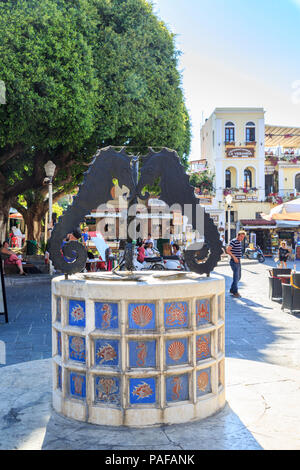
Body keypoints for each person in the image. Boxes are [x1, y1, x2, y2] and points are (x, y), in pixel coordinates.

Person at [226, 230, 246, 298]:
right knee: (236, 277)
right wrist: (234, 257)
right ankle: (235, 292)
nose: (242, 238)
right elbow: (228, 250)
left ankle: (232, 289)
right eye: (241, 236)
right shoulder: (233, 241)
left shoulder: (239, 242)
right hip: (234, 261)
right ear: (238, 235)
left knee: (239, 276)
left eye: (243, 237)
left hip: (238, 261)